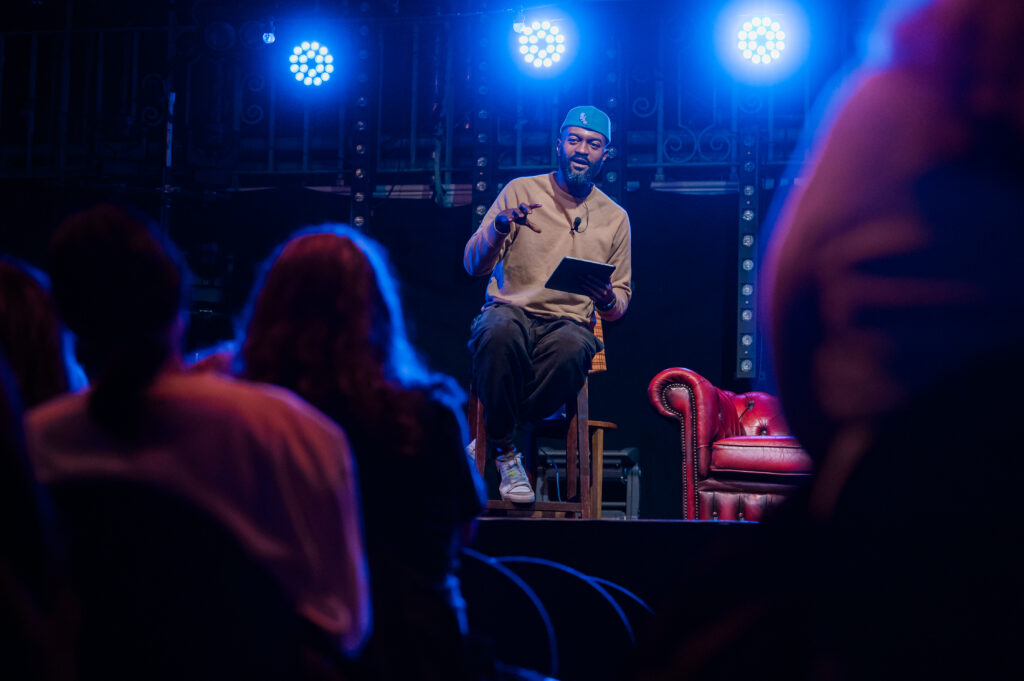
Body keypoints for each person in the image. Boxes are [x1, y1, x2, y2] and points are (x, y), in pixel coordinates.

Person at [24, 204, 370, 657]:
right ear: (180, 311)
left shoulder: (35, 442)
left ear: (71, 323)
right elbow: (342, 623)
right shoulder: (290, 431)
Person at [240, 225, 486, 681]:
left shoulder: (244, 418)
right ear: (375, 309)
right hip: (415, 644)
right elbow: (463, 529)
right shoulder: (426, 413)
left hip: (280, 645)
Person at [464, 105, 632, 503]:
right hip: (512, 310)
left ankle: (492, 436)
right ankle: (507, 454)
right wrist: (500, 226)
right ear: (559, 144)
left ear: (606, 154)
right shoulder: (521, 191)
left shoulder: (616, 217)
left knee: (575, 348)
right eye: (574, 139)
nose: (581, 150)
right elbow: (471, 264)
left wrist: (607, 298)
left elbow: (621, 301)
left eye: (593, 144)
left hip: (568, 323)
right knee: (497, 331)